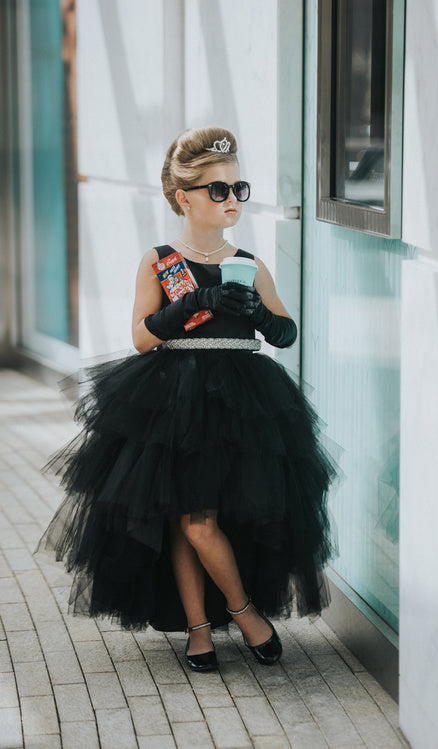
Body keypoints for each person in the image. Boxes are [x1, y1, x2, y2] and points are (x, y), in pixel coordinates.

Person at [37, 126, 337, 673]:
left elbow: (287, 333)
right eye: (217, 190)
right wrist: (194, 301)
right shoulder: (160, 260)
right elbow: (142, 335)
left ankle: (218, 623)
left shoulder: (250, 261)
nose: (231, 201)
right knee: (189, 518)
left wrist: (258, 315)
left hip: (242, 405)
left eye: (237, 188)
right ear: (183, 197)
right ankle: (229, 621)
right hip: (172, 398)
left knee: (196, 519)